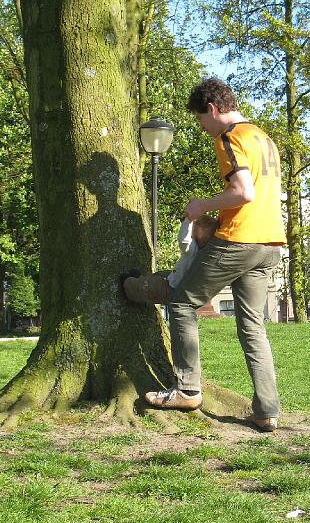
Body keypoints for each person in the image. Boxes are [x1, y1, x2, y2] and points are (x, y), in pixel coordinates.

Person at [145, 77, 286, 432]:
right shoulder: (263, 138)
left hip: (239, 241)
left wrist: (201, 206)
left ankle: (187, 390)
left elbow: (244, 192)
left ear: (211, 109)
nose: (202, 128)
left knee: (181, 302)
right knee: (252, 326)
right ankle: (267, 410)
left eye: (200, 120)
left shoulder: (230, 137)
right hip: (270, 244)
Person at [122, 215, 217, 304]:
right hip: (175, 281)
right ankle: (140, 280)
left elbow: (184, 240)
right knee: (159, 275)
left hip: (172, 288)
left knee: (151, 288)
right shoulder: (208, 254)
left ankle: (128, 286)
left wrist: (189, 220)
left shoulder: (193, 250)